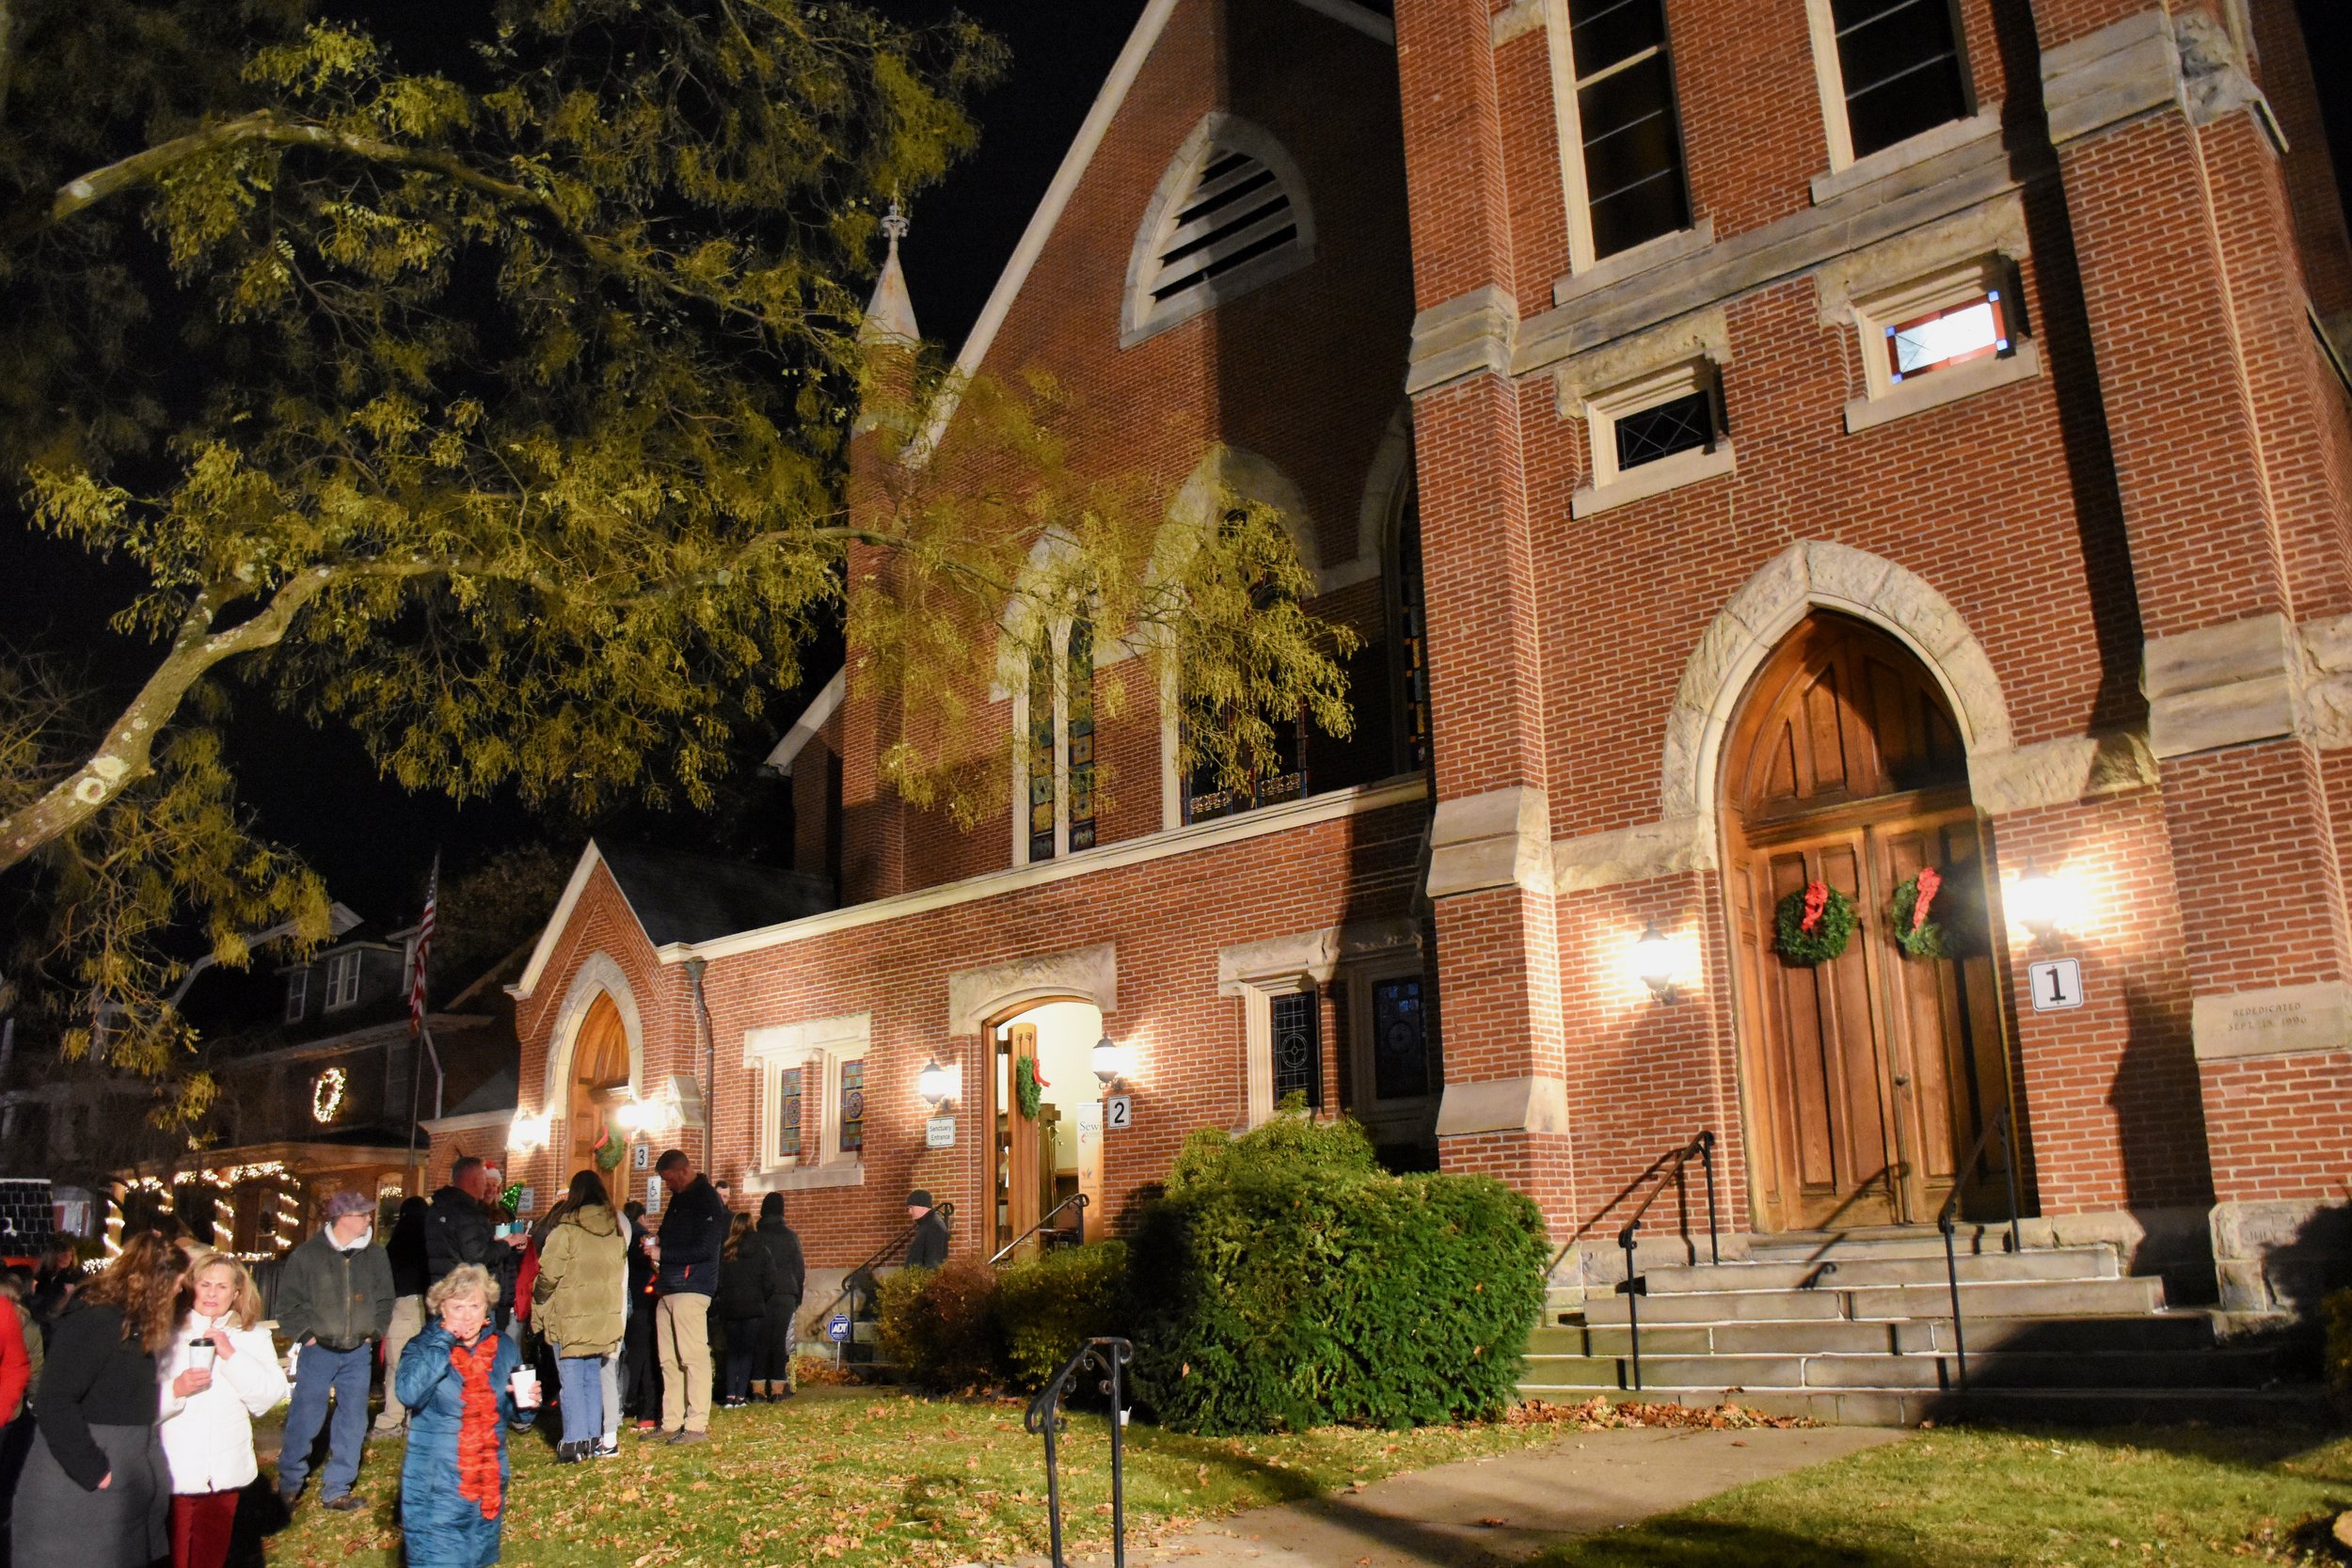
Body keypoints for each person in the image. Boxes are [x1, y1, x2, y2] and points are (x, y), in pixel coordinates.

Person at [11, 1231, 183, 1566]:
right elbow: (54, 1400)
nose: (180, 1291)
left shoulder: (131, 1328)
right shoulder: (97, 1321)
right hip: (79, 1497)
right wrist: (97, 1472)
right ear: (156, 1283)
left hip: (118, 1498)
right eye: (177, 1283)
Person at [396, 1264, 538, 1568]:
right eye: (457, 1307)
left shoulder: (504, 1347)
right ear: (440, 1308)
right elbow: (408, 1393)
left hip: (487, 1487)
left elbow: (518, 1418)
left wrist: (527, 1405)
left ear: (486, 1306)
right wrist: (444, 1340)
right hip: (437, 1488)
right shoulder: (422, 1347)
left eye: (474, 1305)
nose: (467, 1315)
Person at [157, 1251, 290, 1568]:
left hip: (224, 1469)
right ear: (191, 1288)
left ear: (237, 1293)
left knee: (211, 1557)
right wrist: (176, 1389)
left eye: (222, 1286)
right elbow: (139, 1403)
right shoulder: (167, 1334)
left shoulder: (252, 1337)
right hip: (174, 1467)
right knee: (171, 1556)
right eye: (205, 1285)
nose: (213, 1294)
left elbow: (268, 1396)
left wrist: (230, 1355)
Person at [273, 1191, 395, 1512]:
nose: (369, 1219)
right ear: (343, 1218)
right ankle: (288, 1486)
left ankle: (337, 1488)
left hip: (357, 1351)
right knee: (305, 1416)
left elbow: (385, 1300)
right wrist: (306, 1335)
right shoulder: (308, 1255)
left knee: (352, 1420)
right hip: (319, 1351)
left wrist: (374, 1332)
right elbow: (288, 1304)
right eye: (363, 1214)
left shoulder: (375, 1255)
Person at [532, 1171, 626, 1462]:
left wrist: (539, 1296)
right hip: (602, 1314)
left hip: (571, 1314)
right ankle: (593, 1437)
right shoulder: (615, 1231)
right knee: (591, 1377)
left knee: (571, 1376)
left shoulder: (566, 1230)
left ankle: (574, 1441)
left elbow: (549, 1273)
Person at [646, 1148, 727, 1445]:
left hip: (692, 1287)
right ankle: (671, 1421)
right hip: (669, 1286)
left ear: (682, 1171)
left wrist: (663, 1253)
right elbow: (672, 1237)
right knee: (668, 1359)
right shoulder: (679, 1199)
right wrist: (657, 1244)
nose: (667, 1186)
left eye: (669, 1179)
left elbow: (706, 1249)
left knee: (692, 1356)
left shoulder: (706, 1199)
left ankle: (695, 1425)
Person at [372, 1196, 431, 1437]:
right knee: (418, 1363)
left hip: (398, 1306)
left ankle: (392, 1418)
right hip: (420, 1305)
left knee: (396, 1364)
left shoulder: (395, 1243)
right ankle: (412, 1416)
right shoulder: (425, 1240)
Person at [742, 1195, 804, 1401]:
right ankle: (778, 1388)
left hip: (761, 1293)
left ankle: (758, 1388)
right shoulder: (790, 1237)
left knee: (759, 1341)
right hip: (786, 1292)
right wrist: (798, 1295)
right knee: (779, 1341)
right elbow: (799, 1268)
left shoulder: (755, 1236)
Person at [711, 1212, 765, 1409]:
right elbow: (769, 1277)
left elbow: (719, 1279)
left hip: (731, 1306)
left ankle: (729, 1394)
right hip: (752, 1306)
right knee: (747, 1353)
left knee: (732, 1352)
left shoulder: (726, 1250)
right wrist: (761, 1297)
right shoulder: (760, 1248)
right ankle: (741, 1395)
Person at [619, 1200, 660, 1432]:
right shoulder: (643, 1236)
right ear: (641, 1217)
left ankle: (627, 1399)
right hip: (644, 1302)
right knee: (644, 1356)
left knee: (628, 1355)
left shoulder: (620, 1235)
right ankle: (643, 1406)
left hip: (624, 1300)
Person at [903, 1190, 951, 1269]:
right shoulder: (929, 1223)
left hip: (922, 1278)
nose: (909, 1211)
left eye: (911, 1207)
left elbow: (933, 1262)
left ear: (922, 1206)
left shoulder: (933, 1226)